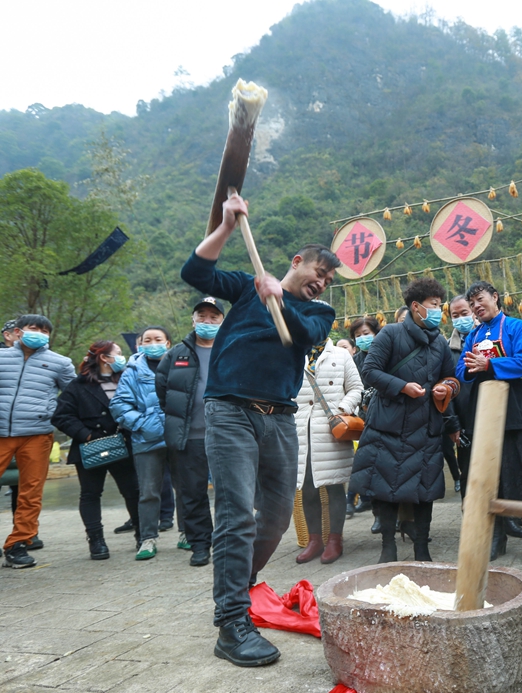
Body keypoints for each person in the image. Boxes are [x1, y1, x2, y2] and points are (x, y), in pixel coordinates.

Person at [181, 193, 338, 667]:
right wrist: (228, 226)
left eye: (329, 280)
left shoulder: (319, 312)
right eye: (319, 272)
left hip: (280, 418)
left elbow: (306, 336)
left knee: (274, 517)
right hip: (229, 412)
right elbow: (196, 274)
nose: (322, 282)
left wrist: (281, 300)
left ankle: (237, 581)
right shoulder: (249, 287)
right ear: (298, 262)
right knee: (235, 514)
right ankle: (231, 621)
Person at [351, 278, 460, 564]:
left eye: (440, 305)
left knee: (425, 491)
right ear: (416, 307)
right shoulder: (390, 334)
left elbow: (452, 378)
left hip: (426, 427)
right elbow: (370, 371)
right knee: (385, 488)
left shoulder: (440, 343)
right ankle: (388, 547)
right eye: (434, 305)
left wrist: (445, 388)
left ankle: (421, 548)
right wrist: (402, 386)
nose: (439, 311)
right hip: (388, 424)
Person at [457, 281, 522, 567]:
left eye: (480, 300)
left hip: (516, 407)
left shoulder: (517, 327)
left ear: (495, 297)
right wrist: (473, 367)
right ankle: (498, 537)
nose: (477, 307)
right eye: (472, 304)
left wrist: (489, 364)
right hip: (484, 410)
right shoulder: (472, 335)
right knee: (491, 477)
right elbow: (461, 371)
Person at [53, 340, 140, 559]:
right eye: (118, 353)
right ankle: (96, 540)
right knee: (91, 494)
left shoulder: (127, 380)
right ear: (104, 357)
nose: (121, 357)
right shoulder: (79, 385)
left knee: (133, 492)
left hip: (123, 445)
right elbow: (61, 416)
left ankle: (143, 534)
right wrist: (88, 435)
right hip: (91, 447)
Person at [0, 314, 75, 568]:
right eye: (34, 328)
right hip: (1, 432)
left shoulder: (60, 363)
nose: (39, 333)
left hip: (37, 433)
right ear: (19, 332)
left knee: (30, 493)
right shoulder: (1, 358)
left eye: (44, 330)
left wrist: (55, 414)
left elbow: (73, 395)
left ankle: (17, 545)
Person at [155, 298, 225, 567]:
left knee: (228, 493)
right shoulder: (175, 354)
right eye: (202, 316)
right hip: (190, 437)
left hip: (226, 435)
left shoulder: (230, 349)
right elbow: (162, 391)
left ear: (221, 321)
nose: (207, 322)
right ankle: (199, 545)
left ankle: (226, 542)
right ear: (193, 320)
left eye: (213, 317)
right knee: (192, 493)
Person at [294, 338, 363, 564]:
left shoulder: (341, 355)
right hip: (301, 428)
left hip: (331, 428)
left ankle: (335, 540)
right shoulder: (294, 352)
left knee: (334, 485)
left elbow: (356, 388)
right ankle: (314, 541)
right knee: (306, 486)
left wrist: (341, 409)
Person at [110, 326, 174, 561]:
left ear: (168, 343)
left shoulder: (181, 365)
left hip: (179, 437)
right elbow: (119, 405)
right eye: (148, 339)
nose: (152, 342)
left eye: (158, 339)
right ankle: (148, 538)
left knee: (189, 489)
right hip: (145, 440)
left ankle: (189, 534)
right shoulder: (132, 371)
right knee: (148, 492)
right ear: (140, 345)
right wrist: (142, 423)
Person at [348, 316, 380, 524]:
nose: (362, 339)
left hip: (386, 417)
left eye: (366, 334)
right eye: (358, 336)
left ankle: (383, 514)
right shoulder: (355, 360)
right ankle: (359, 500)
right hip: (365, 420)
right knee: (364, 463)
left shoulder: (387, 353)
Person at [447, 295, 476, 496]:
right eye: (455, 315)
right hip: (465, 421)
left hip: (489, 415)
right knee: (468, 471)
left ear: (474, 312)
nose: (460, 318)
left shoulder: (489, 340)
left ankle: (502, 522)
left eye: (464, 313)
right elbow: (446, 390)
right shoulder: (448, 349)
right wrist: (453, 424)